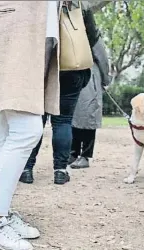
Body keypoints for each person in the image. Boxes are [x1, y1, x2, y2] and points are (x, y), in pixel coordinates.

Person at [0, 2, 68, 250]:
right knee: (27, 129)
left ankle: (0, 211)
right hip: (10, 27)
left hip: (36, 30)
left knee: (9, 128)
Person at [19, 4, 100, 185]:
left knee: (36, 118)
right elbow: (92, 38)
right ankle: (60, 171)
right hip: (70, 67)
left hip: (39, 64)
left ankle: (26, 169)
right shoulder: (78, 5)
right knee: (63, 120)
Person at [70, 33, 112, 169]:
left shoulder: (92, 35)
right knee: (73, 115)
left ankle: (85, 155)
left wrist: (105, 79)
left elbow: (102, 58)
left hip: (89, 74)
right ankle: (73, 153)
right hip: (71, 73)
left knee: (88, 115)